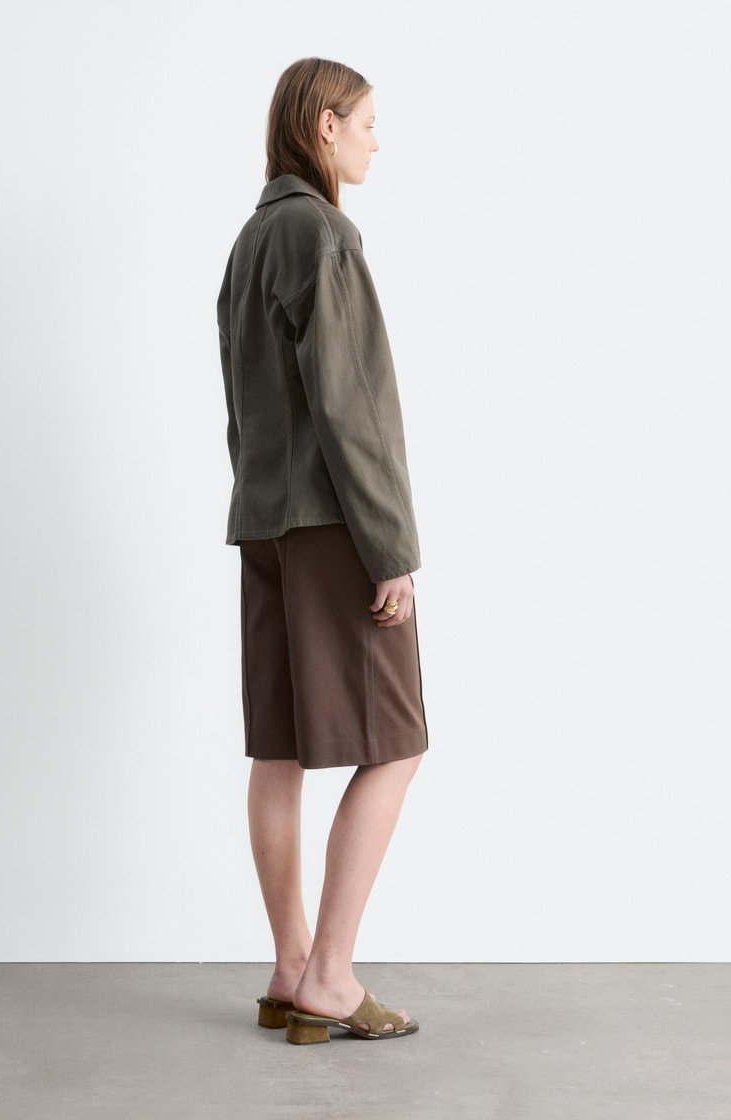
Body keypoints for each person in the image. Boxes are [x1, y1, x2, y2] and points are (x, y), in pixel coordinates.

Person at [216, 57, 428, 1044]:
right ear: (325, 125)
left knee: (280, 748)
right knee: (398, 744)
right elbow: (349, 408)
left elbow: (247, 404)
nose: (377, 140)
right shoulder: (318, 232)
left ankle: (290, 963)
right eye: (368, 122)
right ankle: (330, 977)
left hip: (264, 520)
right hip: (334, 526)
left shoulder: (250, 239)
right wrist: (390, 546)